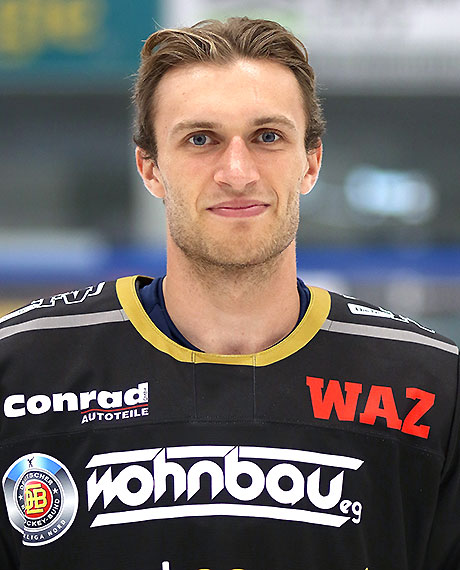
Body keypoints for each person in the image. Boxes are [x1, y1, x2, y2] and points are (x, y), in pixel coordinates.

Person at [0, 16, 459, 570]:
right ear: (150, 167)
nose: (237, 172)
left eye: (268, 137)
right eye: (201, 139)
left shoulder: (433, 387)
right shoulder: (21, 372)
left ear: (311, 161)